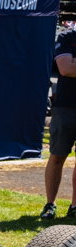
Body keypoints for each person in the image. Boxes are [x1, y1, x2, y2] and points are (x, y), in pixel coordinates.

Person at [42, 26, 76, 219]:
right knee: (57, 156)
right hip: (66, 107)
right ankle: (50, 204)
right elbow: (65, 68)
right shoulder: (67, 37)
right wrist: (71, 65)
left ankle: (74, 206)